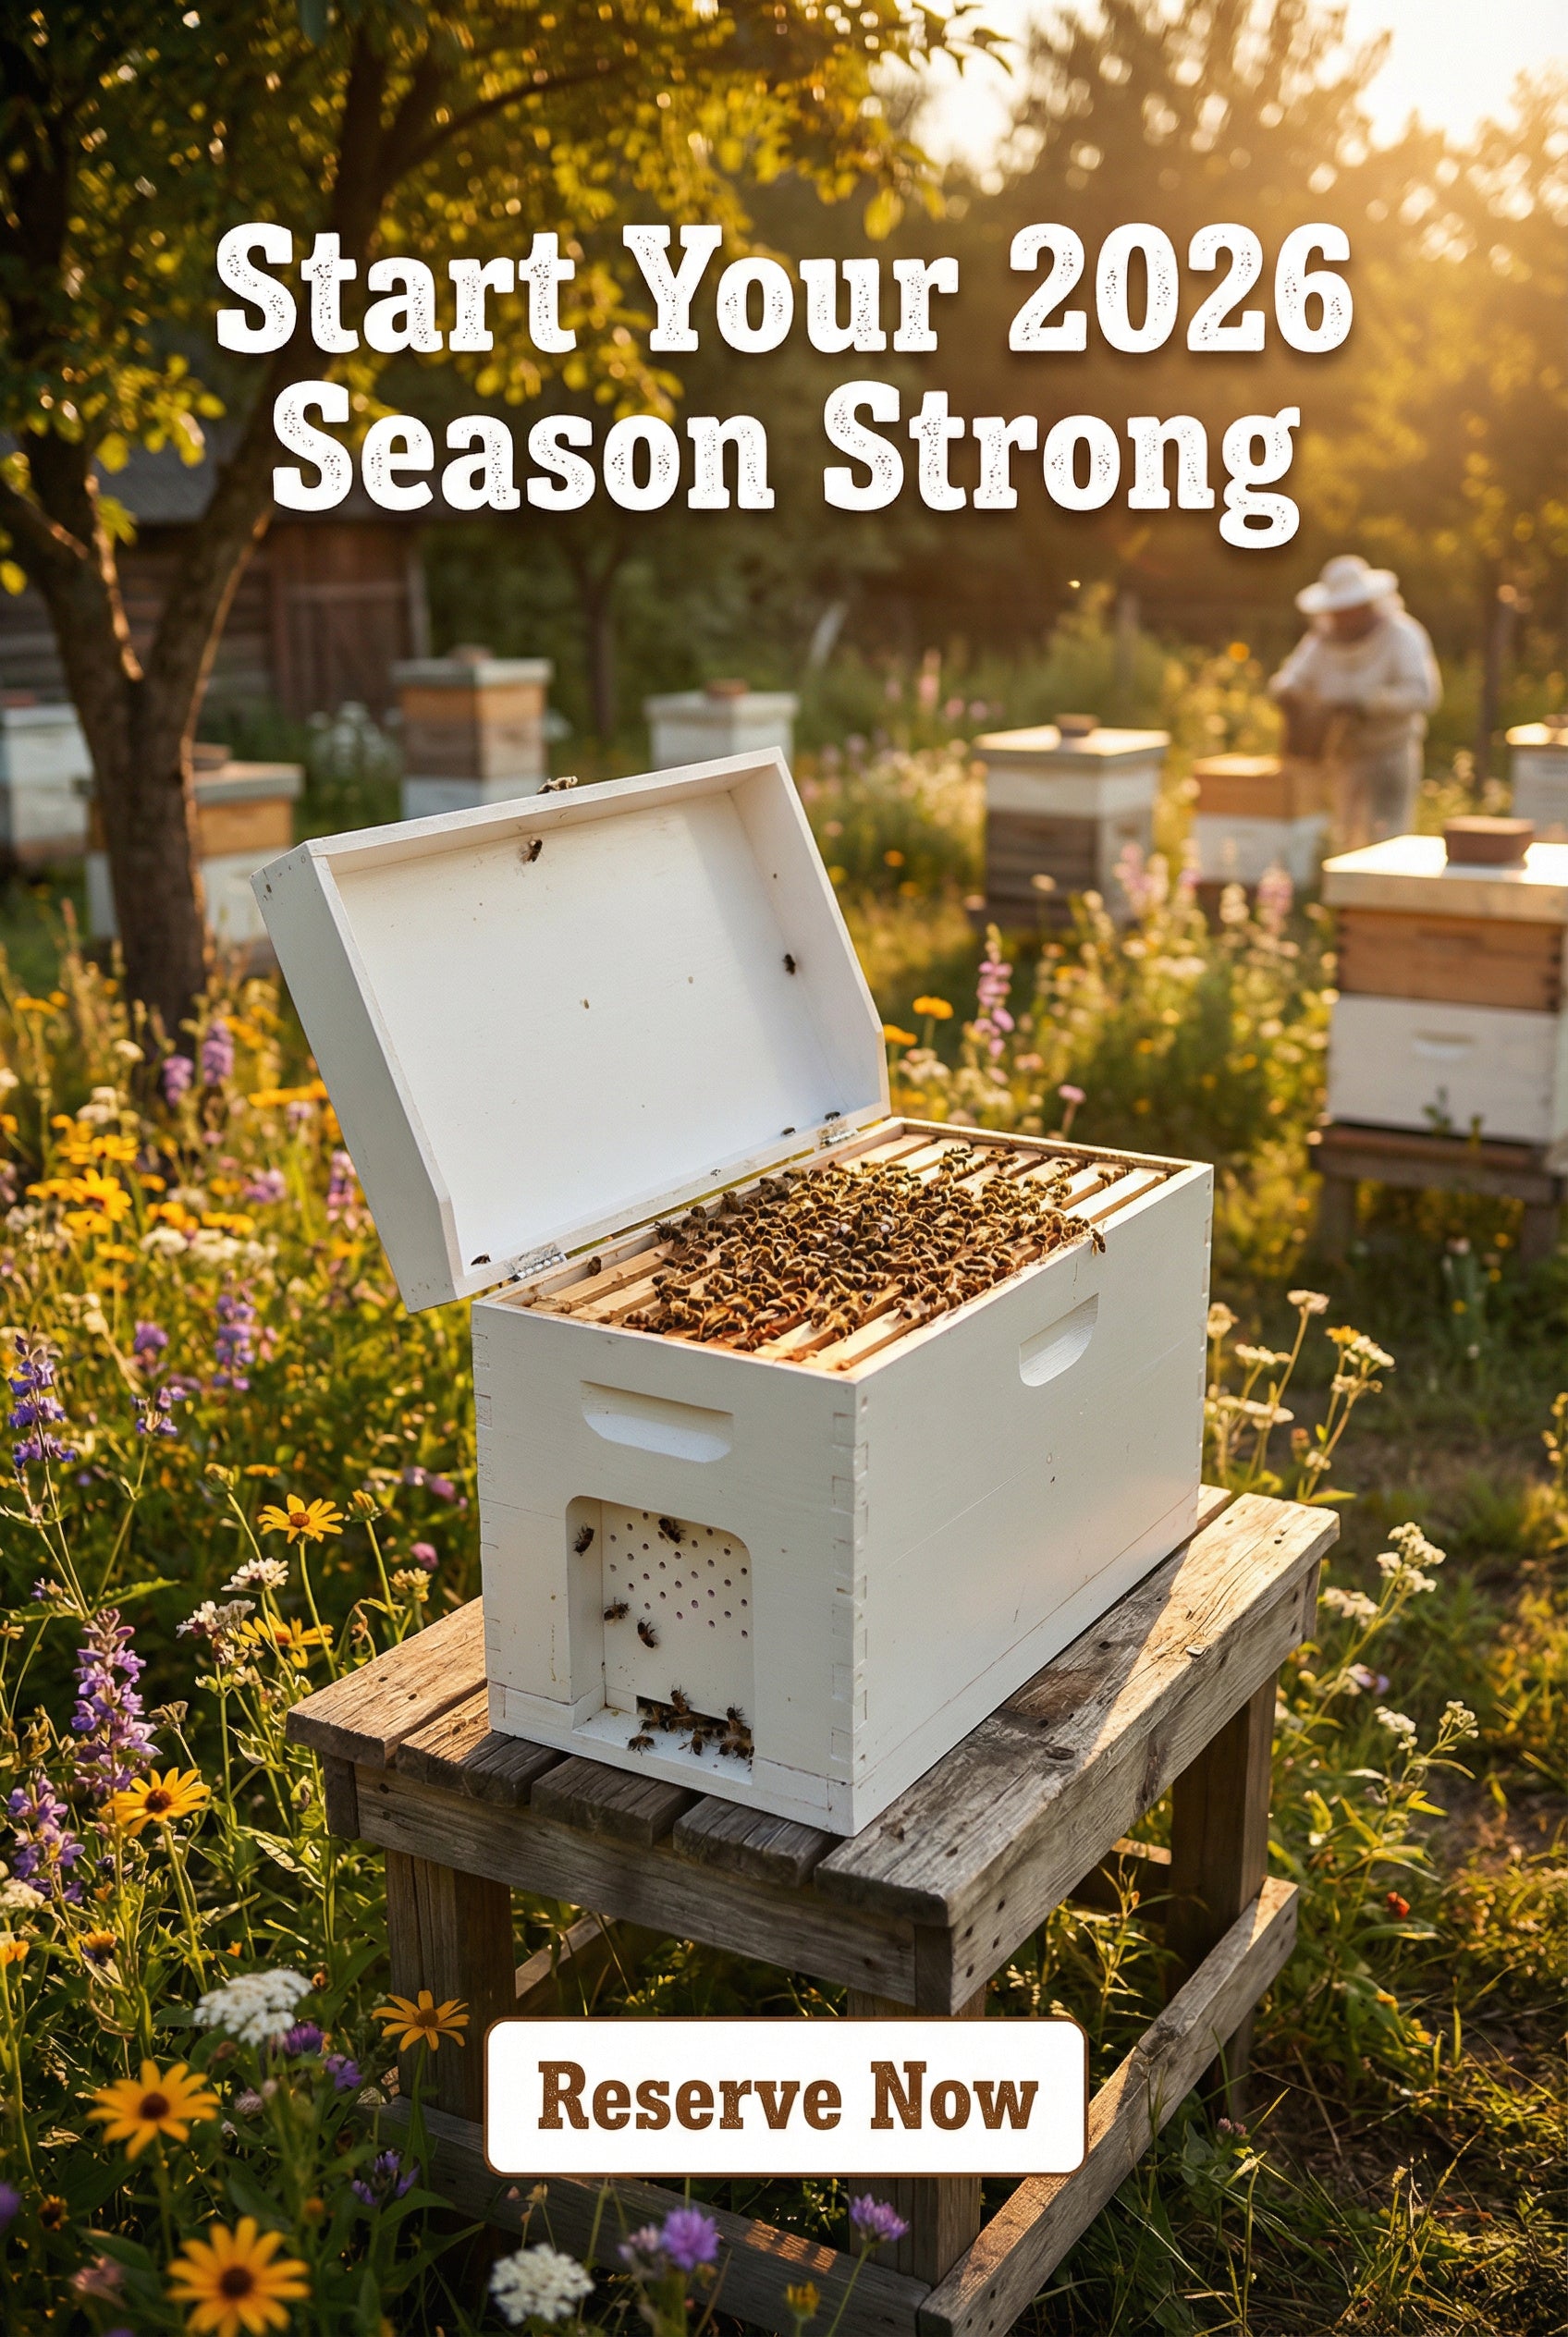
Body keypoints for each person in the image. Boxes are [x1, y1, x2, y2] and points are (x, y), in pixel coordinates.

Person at [1269, 554, 1440, 847]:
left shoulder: (1402, 635)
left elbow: (1422, 694)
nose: (1344, 618)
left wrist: (1367, 704)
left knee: (1388, 839)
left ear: (1367, 604)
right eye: (1338, 611)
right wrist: (1289, 696)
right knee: (1346, 840)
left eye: (1350, 609)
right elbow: (1288, 681)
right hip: (1343, 757)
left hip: (1389, 753)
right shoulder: (1320, 640)